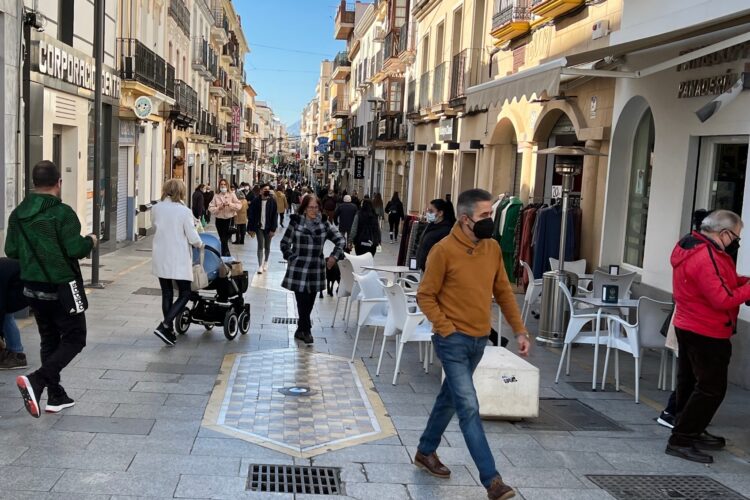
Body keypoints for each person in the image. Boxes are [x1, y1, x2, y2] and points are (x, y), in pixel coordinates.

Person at [414, 188, 529, 500]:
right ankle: (492, 480)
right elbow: (425, 294)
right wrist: (446, 328)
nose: (490, 221)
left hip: (479, 340)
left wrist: (519, 331)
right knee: (468, 406)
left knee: (449, 398)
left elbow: (504, 291)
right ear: (465, 220)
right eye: (485, 216)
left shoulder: (491, 249)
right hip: (452, 341)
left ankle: (425, 451)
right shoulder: (443, 250)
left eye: (491, 214)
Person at [6, 160, 99, 418]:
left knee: (49, 338)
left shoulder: (18, 214)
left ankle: (55, 396)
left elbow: (11, 250)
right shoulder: (62, 213)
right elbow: (74, 249)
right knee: (75, 338)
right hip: (62, 287)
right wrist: (90, 241)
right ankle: (38, 380)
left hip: (32, 289)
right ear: (59, 183)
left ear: (34, 184)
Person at [665, 209, 750, 464]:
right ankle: (681, 438)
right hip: (706, 330)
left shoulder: (696, 246)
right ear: (723, 233)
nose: (737, 242)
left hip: (691, 324)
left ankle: (689, 430)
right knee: (711, 389)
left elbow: (726, 280)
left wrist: (744, 282)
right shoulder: (706, 255)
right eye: (736, 236)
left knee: (690, 384)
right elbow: (722, 298)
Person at [280, 195, 346, 345]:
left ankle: (299, 330)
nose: (313, 210)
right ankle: (307, 330)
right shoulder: (296, 222)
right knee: (301, 300)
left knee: (309, 302)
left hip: (316, 268)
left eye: (316, 207)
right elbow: (284, 243)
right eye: (310, 207)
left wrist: (333, 257)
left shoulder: (324, 224)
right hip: (299, 268)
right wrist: (291, 257)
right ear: (304, 208)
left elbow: (340, 240)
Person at [151, 179, 204, 346]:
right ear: (181, 191)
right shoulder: (184, 211)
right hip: (178, 257)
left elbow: (155, 226)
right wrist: (200, 244)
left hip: (160, 254)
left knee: (167, 292)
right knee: (185, 293)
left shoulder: (157, 208)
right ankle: (165, 325)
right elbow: (193, 236)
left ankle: (169, 331)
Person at [0, 258, 29, 370]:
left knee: (6, 315)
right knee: (6, 315)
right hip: (19, 283)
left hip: (23, 287)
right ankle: (16, 352)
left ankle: (17, 355)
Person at [415, 199, 457, 271]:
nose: (428, 213)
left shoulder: (446, 231)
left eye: (431, 211)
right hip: (424, 270)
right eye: (428, 210)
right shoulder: (431, 226)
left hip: (433, 271)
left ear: (440, 213)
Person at [248, 183, 278, 274]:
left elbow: (274, 216)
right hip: (259, 227)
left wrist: (273, 229)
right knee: (260, 245)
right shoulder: (255, 201)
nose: (266, 191)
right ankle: (260, 265)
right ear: (260, 191)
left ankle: (266, 262)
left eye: (268, 190)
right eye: (264, 189)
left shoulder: (272, 201)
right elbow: (251, 215)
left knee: (267, 246)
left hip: (268, 227)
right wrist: (250, 228)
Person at [208, 178, 241, 257]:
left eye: (224, 184)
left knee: (224, 240)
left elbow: (239, 206)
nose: (223, 186)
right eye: (221, 184)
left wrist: (230, 204)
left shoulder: (232, 195)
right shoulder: (216, 196)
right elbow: (210, 208)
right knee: (223, 240)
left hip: (229, 220)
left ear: (227, 185)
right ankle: (226, 257)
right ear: (219, 186)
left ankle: (224, 256)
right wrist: (219, 208)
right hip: (219, 220)